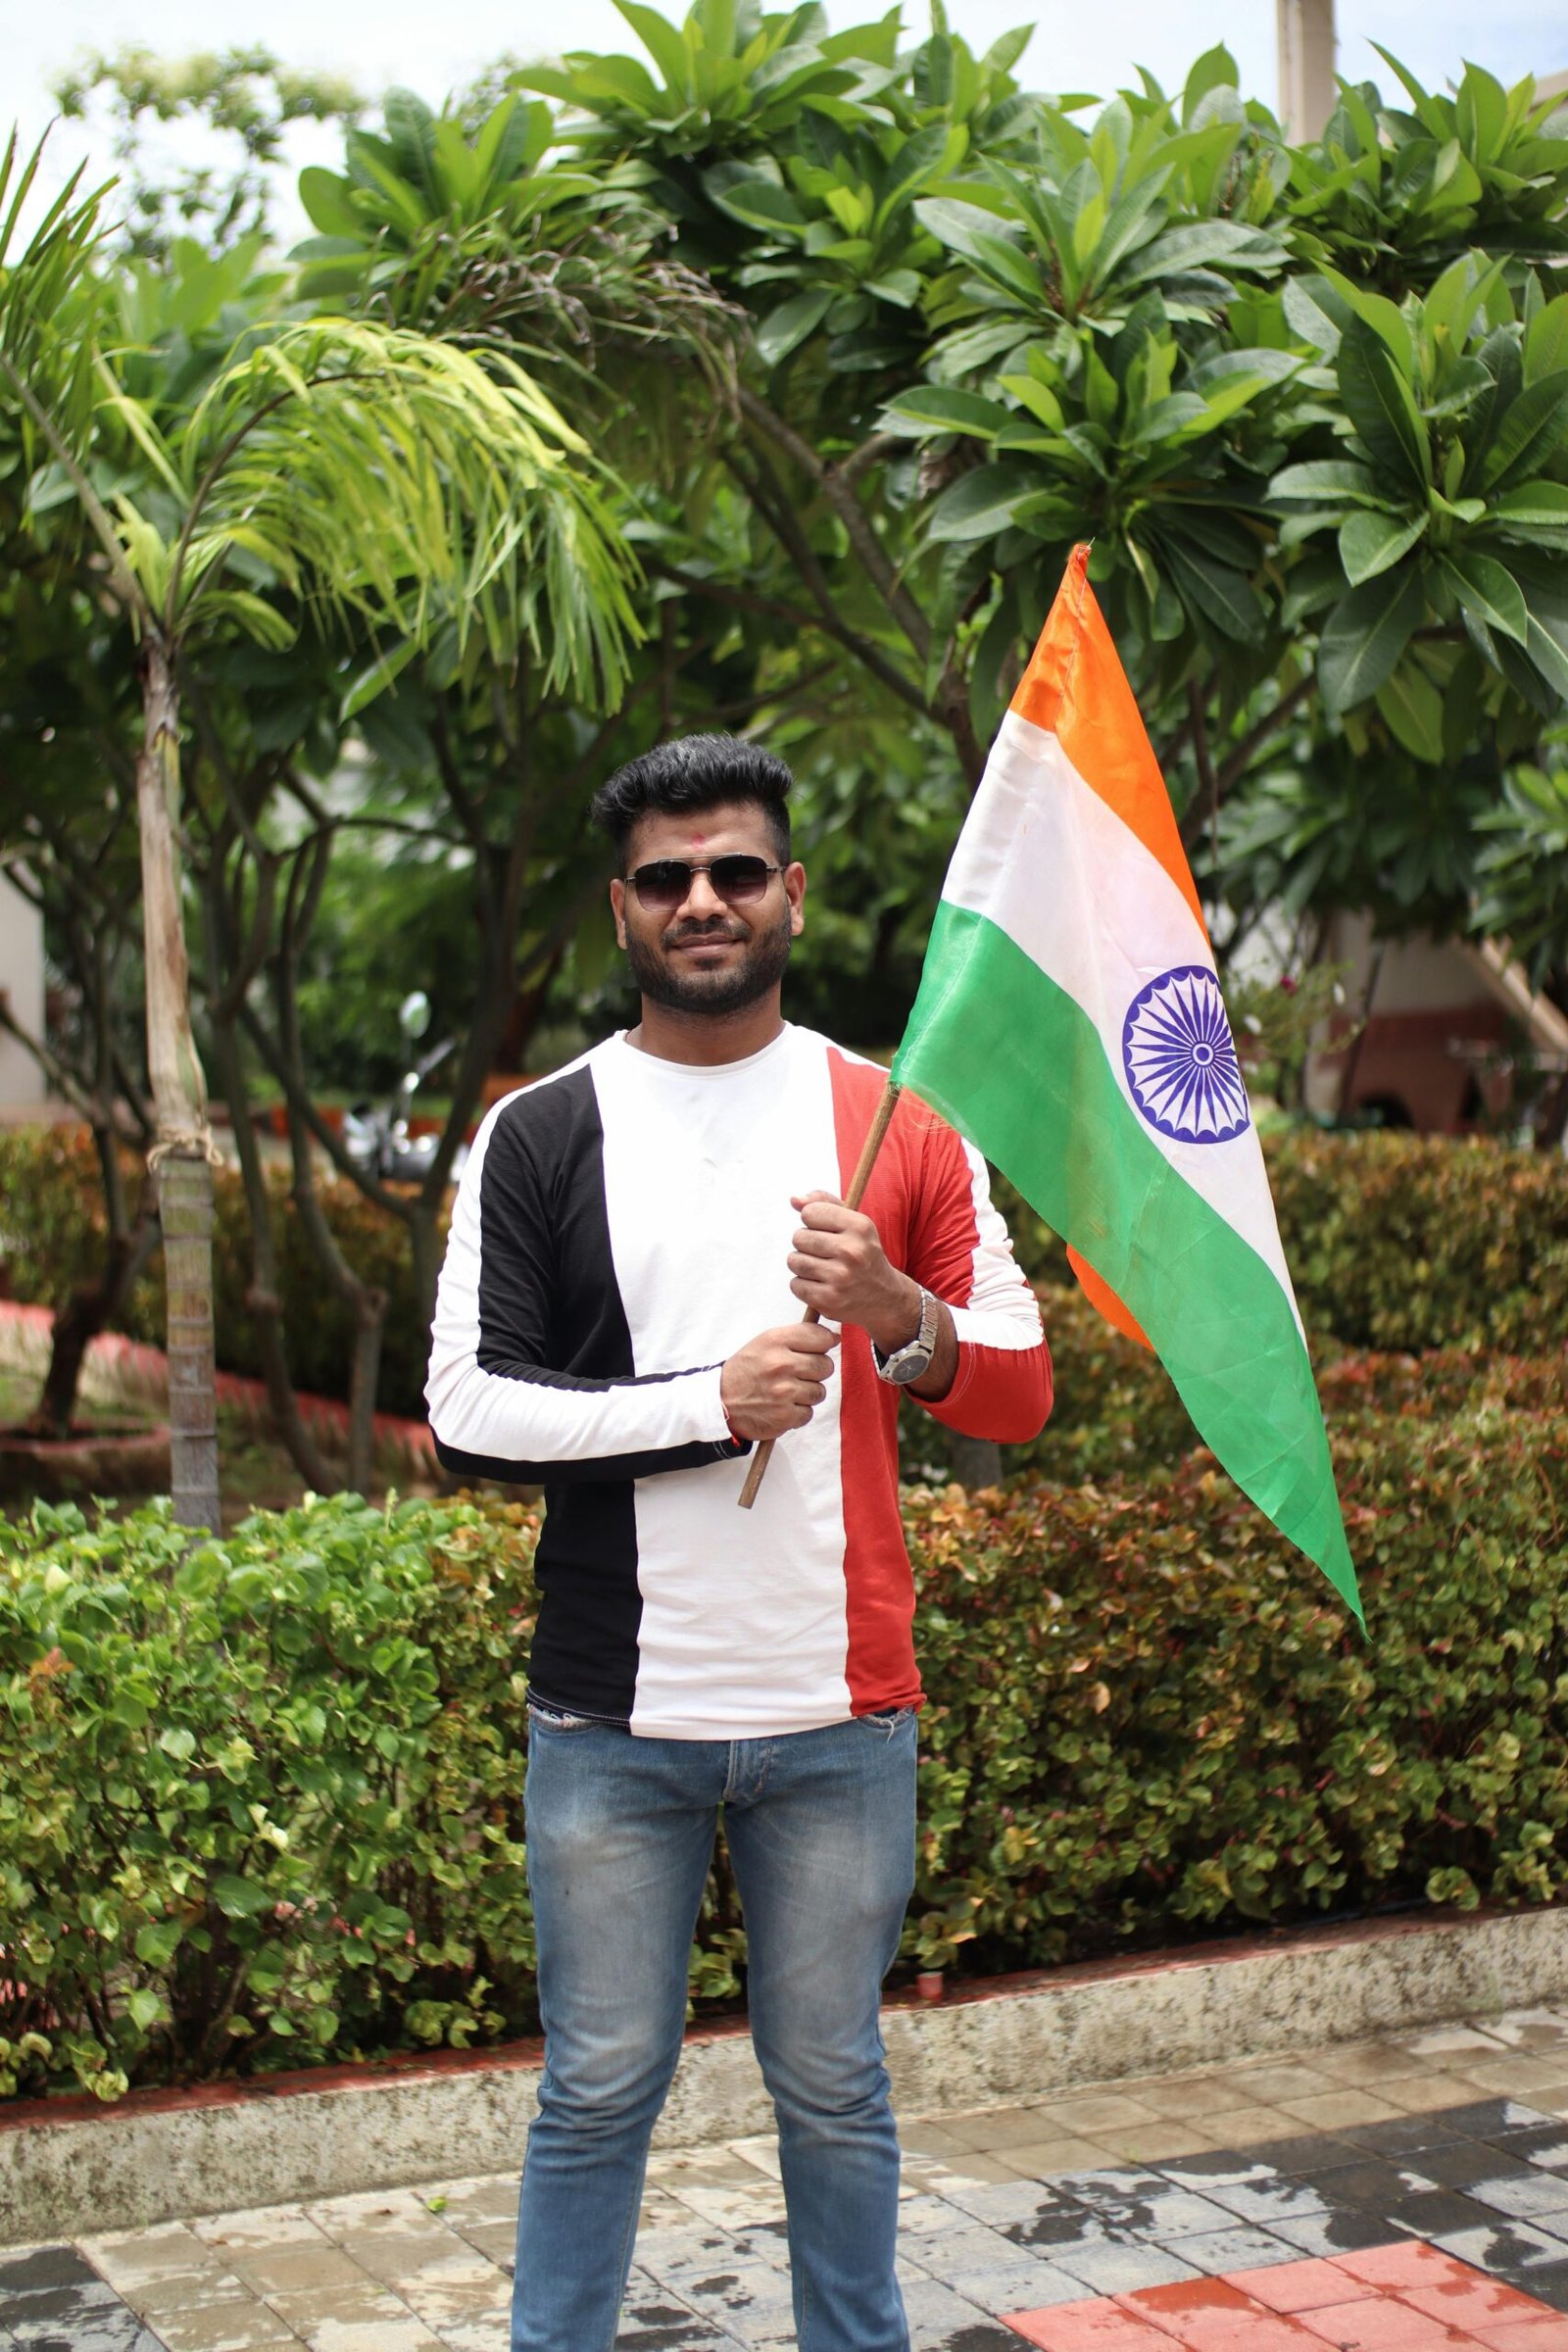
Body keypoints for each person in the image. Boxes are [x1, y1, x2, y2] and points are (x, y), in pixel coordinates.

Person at [425, 733, 1053, 2352]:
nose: (704, 900)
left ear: (792, 891)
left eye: (736, 870)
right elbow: (470, 1415)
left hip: (840, 1720)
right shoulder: (538, 1135)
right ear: (620, 913)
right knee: (598, 2090)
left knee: (836, 2090)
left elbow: (1024, 1386)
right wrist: (704, 1402)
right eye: (665, 878)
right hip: (611, 1722)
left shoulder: (894, 1122)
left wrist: (900, 1315)